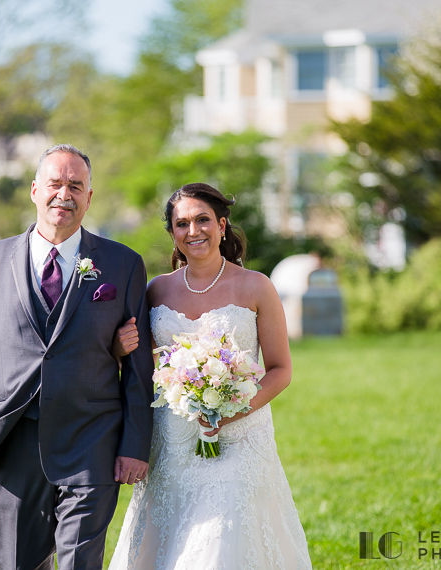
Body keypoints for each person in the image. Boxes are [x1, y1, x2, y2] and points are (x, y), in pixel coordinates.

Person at [0, 144, 155, 570]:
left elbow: (139, 368)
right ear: (35, 190)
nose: (65, 194)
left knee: (80, 561)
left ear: (90, 197)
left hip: (92, 439)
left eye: (76, 186)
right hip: (14, 441)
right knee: (17, 562)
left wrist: (135, 445)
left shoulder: (123, 264)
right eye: (56, 184)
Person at [108, 182, 312, 569]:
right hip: (173, 439)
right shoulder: (156, 290)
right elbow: (144, 369)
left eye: (203, 220)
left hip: (241, 435)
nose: (193, 231)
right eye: (181, 223)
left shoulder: (256, 286)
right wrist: (121, 351)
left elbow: (281, 370)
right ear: (172, 233)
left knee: (223, 539)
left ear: (222, 225)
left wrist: (233, 410)